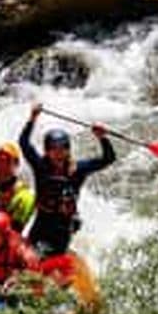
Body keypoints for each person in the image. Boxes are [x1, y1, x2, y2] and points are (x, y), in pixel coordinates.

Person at [18, 103, 116, 255]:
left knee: (52, 257)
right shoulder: (40, 166)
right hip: (42, 222)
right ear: (47, 151)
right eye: (53, 149)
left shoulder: (77, 169)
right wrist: (32, 118)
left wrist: (102, 137)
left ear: (68, 150)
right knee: (29, 257)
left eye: (63, 148)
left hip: (63, 226)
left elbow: (108, 159)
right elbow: (24, 143)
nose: (58, 153)